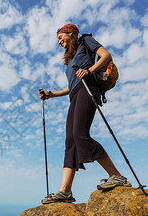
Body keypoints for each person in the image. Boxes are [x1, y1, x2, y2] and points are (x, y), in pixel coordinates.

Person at [39, 23, 131, 205]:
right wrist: (51, 94)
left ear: (70, 33)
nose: (59, 41)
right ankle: (65, 191)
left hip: (88, 89)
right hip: (75, 94)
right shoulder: (72, 59)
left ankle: (116, 176)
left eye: (60, 37)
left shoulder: (85, 41)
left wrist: (89, 70)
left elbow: (106, 56)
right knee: (70, 141)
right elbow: (70, 86)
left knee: (80, 135)